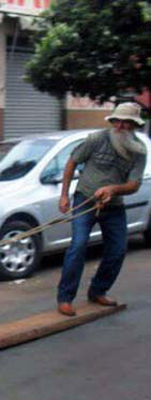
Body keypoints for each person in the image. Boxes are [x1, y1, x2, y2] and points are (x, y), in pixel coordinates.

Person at [56, 102, 147, 316]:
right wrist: (63, 196)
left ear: (134, 125)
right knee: (78, 246)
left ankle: (98, 290)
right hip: (85, 200)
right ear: (113, 121)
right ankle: (65, 298)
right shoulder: (96, 139)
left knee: (117, 250)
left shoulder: (138, 151)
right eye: (119, 121)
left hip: (113, 206)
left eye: (128, 122)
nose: (122, 125)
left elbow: (134, 185)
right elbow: (72, 162)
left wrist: (113, 189)